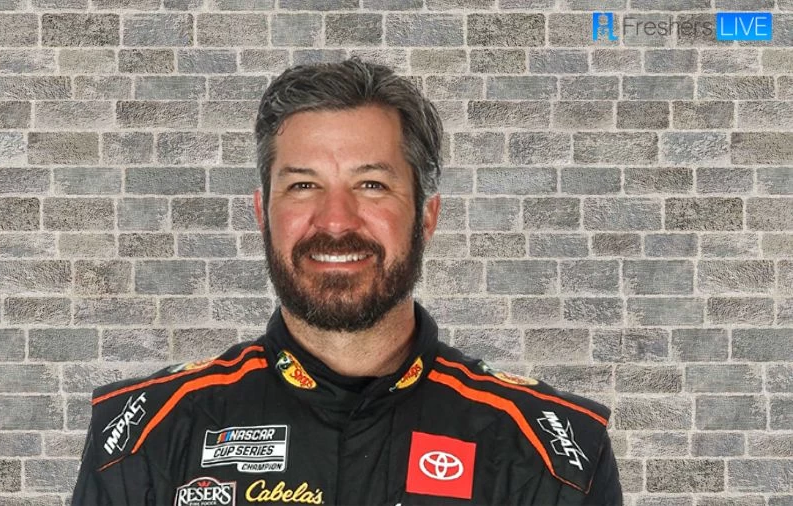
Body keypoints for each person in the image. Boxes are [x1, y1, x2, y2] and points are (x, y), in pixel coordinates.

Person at [71, 58, 623, 506]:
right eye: (303, 185)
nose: (336, 221)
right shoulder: (143, 436)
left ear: (426, 217)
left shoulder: (554, 455)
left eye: (372, 185)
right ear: (262, 213)